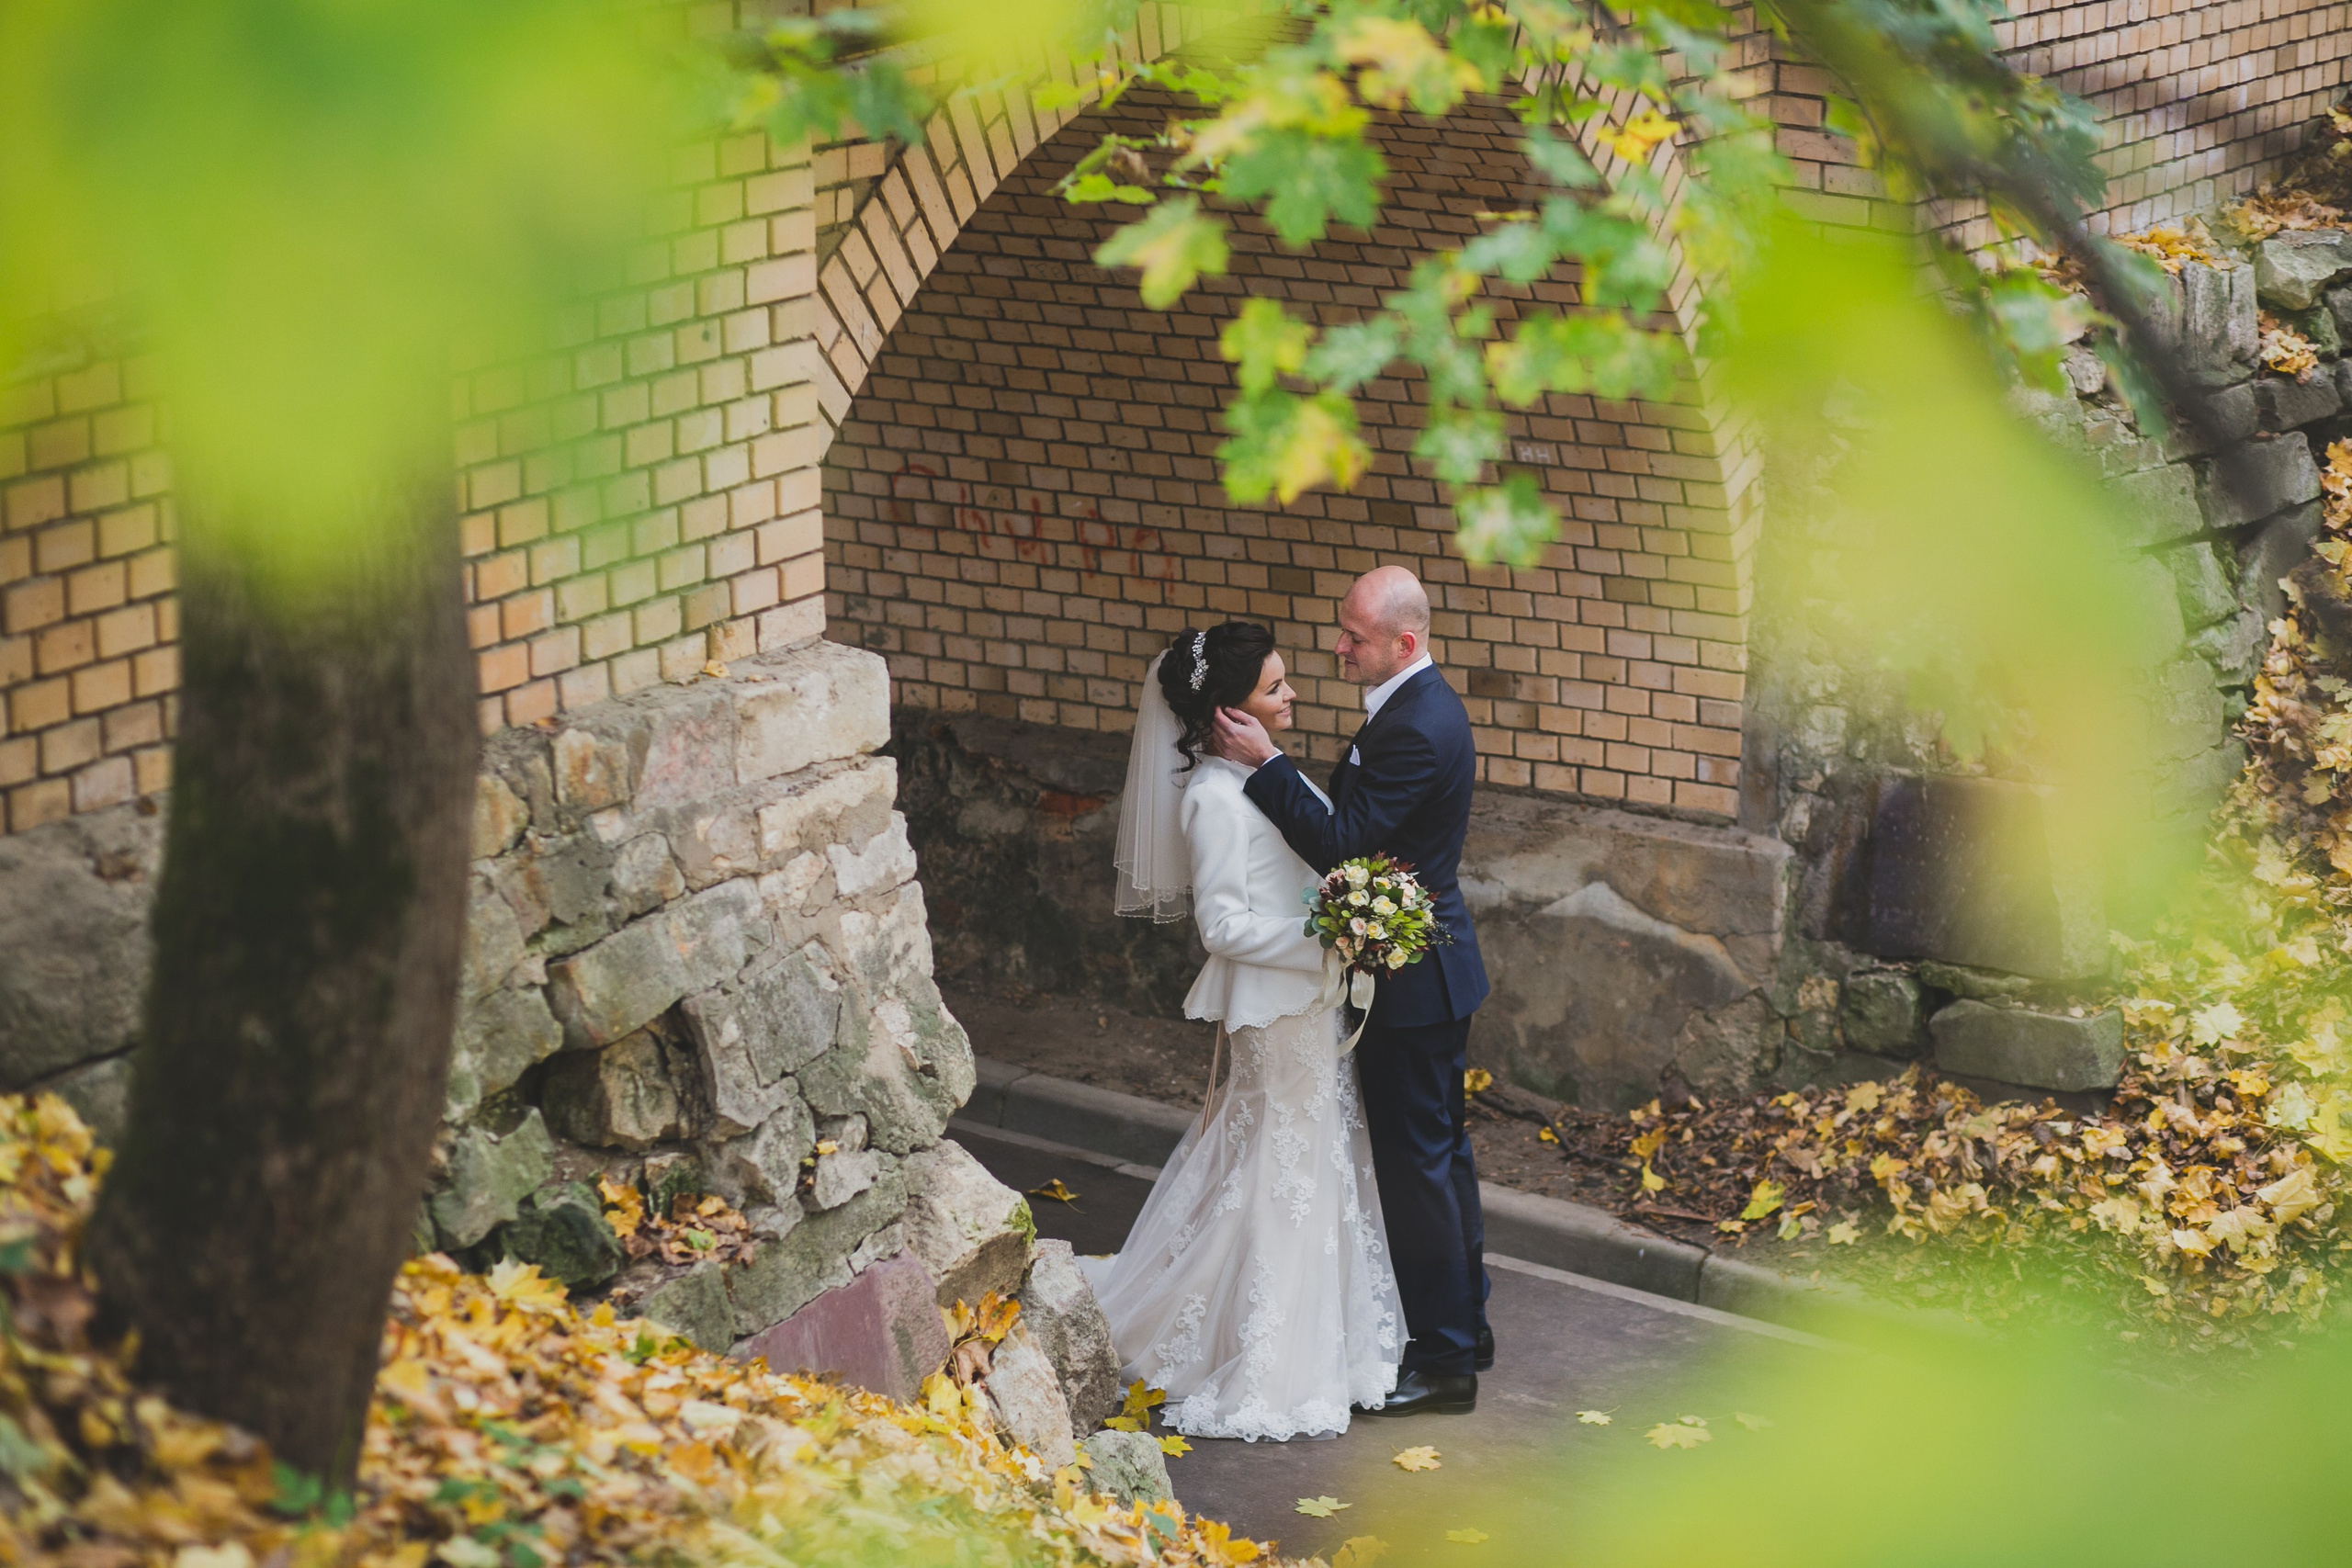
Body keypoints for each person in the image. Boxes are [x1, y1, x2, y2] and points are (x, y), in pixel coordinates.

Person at [1081, 620, 1404, 1440]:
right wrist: (1330, 936)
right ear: (1228, 711)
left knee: (1288, 1165)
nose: (1292, 693)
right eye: (1273, 687)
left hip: (1303, 1004)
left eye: (1286, 680)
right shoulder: (1213, 799)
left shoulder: (1258, 777)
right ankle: (1266, 1362)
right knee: (1281, 1173)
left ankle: (1303, 1341)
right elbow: (1222, 925)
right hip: (1276, 1007)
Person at [1207, 565, 1492, 1416]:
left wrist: (1269, 764)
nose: (1338, 646)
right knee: (1444, 1158)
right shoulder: (1418, 704)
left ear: (1403, 642)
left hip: (1412, 980)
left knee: (1418, 1171)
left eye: (1353, 637)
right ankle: (1464, 1329)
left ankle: (1443, 1363)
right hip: (1434, 967)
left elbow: (1344, 844)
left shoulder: (1416, 726)